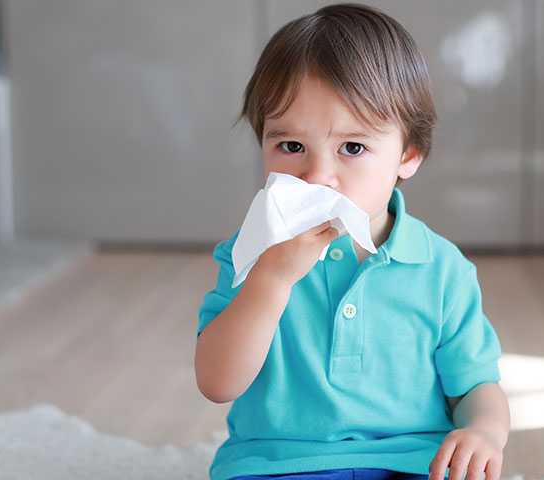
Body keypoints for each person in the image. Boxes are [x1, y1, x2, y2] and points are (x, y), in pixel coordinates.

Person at [195, 4, 509, 480]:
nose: (317, 176)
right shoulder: (252, 252)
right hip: (277, 463)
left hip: (411, 461)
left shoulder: (442, 268)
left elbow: (474, 386)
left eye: (352, 148)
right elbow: (217, 383)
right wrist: (272, 280)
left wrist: (484, 431)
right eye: (291, 147)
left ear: (408, 154)